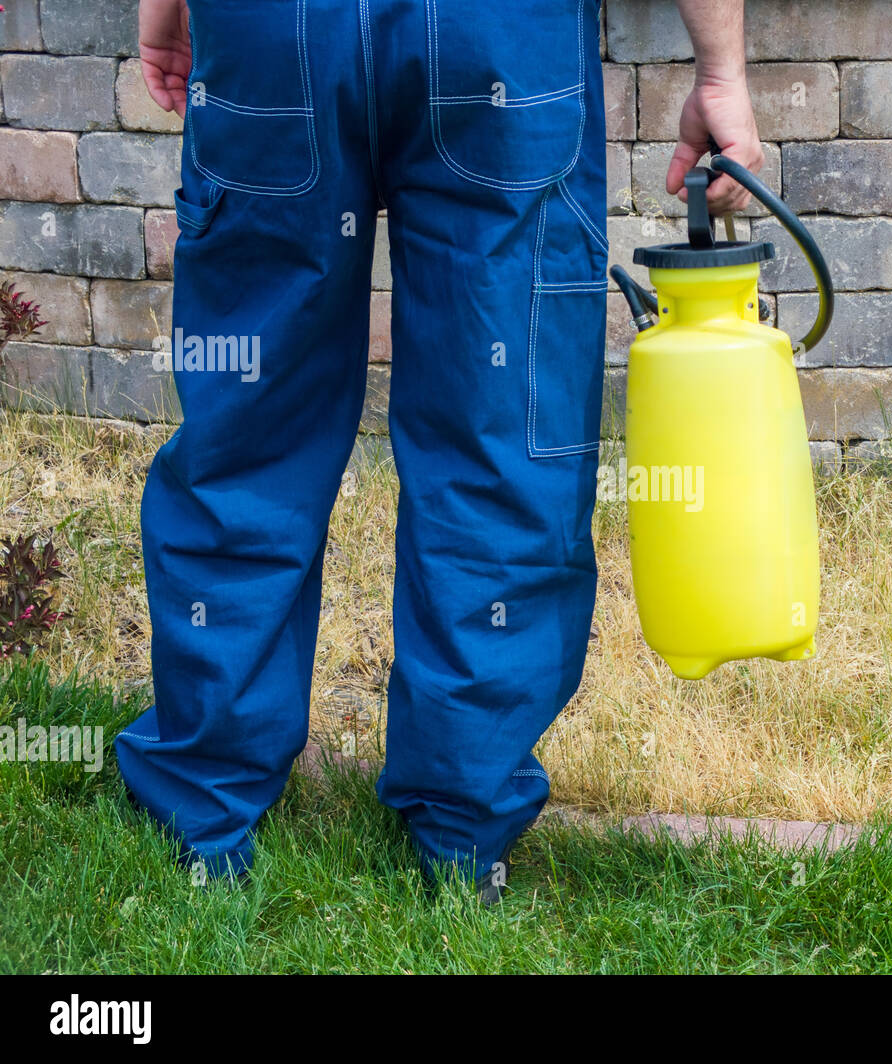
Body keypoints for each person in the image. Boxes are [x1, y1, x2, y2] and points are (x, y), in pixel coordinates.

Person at [118, 0, 763, 901]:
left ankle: (203, 806)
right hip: (496, 34)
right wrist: (721, 71)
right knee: (495, 429)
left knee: (249, 427)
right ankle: (464, 829)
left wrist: (164, 12)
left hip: (274, 27)